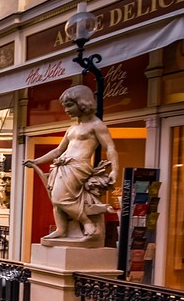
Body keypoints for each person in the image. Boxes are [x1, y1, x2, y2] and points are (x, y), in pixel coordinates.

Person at [23, 84, 119, 242]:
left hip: (78, 166)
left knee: (60, 199)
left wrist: (115, 170)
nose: (66, 110)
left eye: (69, 105)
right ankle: (62, 229)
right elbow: (58, 151)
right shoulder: (72, 128)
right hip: (62, 165)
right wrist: (36, 161)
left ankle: (88, 224)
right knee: (55, 199)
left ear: (82, 103)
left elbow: (110, 147)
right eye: (65, 106)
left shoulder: (96, 125)